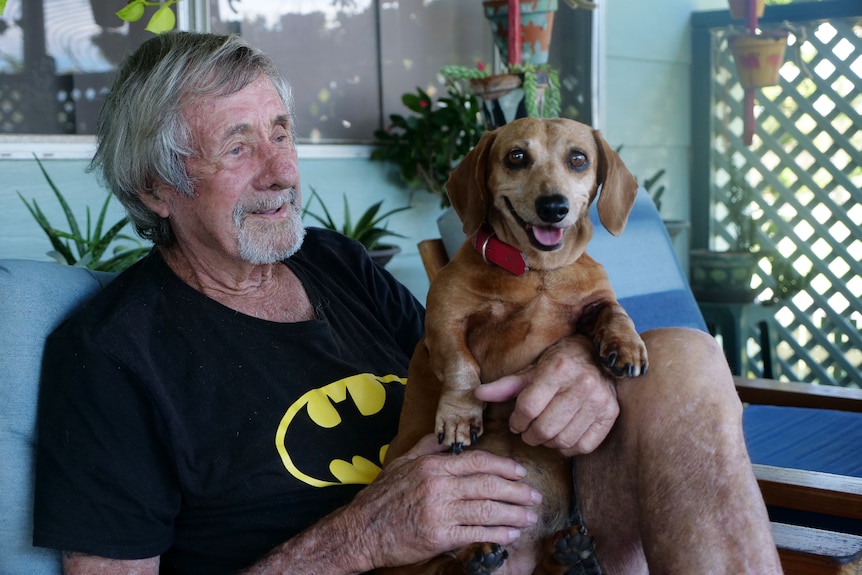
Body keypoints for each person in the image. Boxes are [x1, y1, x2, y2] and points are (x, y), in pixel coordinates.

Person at [33, 31, 782, 575]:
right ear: (154, 188)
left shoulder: (332, 262)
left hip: (522, 517)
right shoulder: (110, 356)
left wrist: (588, 358)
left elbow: (476, 357)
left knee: (679, 357)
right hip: (404, 557)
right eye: (238, 147)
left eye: (283, 133)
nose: (281, 171)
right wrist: (363, 535)